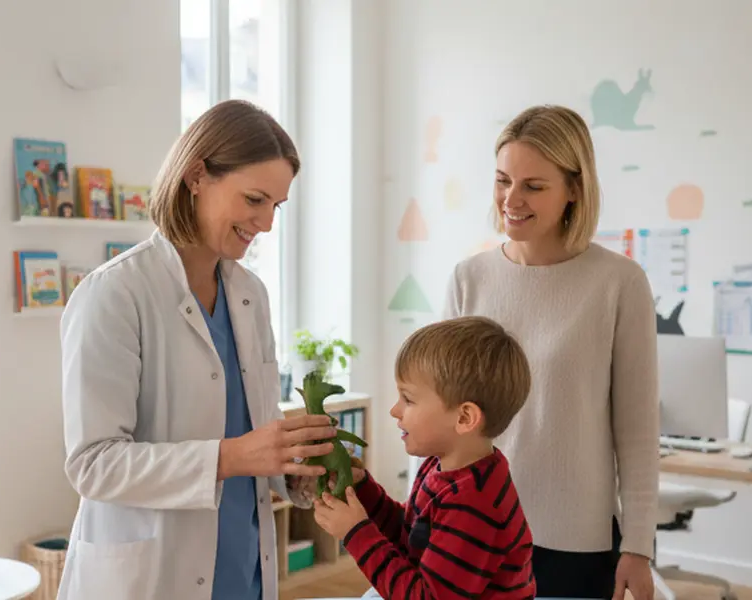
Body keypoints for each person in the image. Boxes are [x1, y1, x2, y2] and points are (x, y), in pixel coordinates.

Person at [57, 99, 337, 600]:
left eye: (276, 205)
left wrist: (299, 472)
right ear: (196, 175)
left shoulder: (250, 296)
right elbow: (92, 464)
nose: (267, 223)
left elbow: (254, 436)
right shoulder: (114, 294)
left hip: (242, 567)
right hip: (153, 577)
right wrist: (229, 457)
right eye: (255, 199)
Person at [441, 105, 659, 600]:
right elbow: (439, 413)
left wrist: (639, 546)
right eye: (502, 181)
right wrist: (420, 514)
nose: (510, 200)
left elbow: (638, 430)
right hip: (470, 531)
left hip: (573, 539)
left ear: (574, 189)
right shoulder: (468, 279)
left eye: (533, 186)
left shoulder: (619, 283)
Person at [313, 316, 537, 600]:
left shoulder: (475, 503)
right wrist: (364, 493)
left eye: (408, 399)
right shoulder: (443, 467)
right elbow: (412, 537)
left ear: (464, 417)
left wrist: (356, 532)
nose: (395, 410)